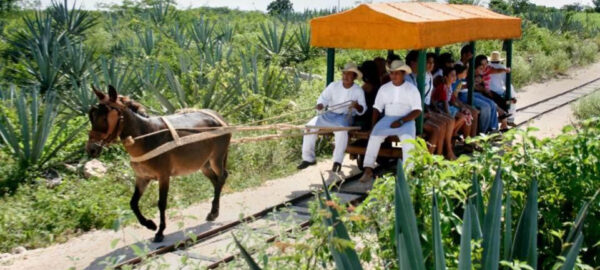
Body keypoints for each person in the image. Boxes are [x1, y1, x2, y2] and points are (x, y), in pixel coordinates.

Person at [358, 60, 422, 182]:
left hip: (406, 119)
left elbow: (417, 110)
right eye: (392, 73)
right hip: (387, 118)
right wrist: (373, 126)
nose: (393, 76)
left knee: (408, 141)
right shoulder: (384, 88)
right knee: (374, 136)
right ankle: (368, 169)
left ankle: (408, 173)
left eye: (397, 73)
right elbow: (377, 108)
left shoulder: (411, 89)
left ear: (403, 74)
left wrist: (402, 121)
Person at [298, 62, 367, 172]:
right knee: (309, 126)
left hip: (345, 116)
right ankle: (308, 159)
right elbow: (323, 99)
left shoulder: (358, 90)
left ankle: (337, 161)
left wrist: (357, 106)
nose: (346, 76)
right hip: (329, 114)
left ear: (354, 77)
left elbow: (363, 109)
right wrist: (320, 105)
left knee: (341, 131)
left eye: (350, 74)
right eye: (345, 74)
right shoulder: (333, 86)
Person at [488, 51, 517, 126]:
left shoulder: (487, 67)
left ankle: (504, 122)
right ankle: (510, 120)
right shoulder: (503, 68)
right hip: (498, 93)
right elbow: (507, 84)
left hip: (487, 91)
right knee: (512, 101)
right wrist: (513, 96)